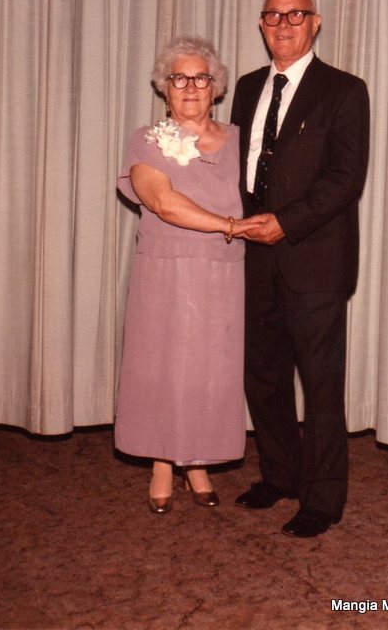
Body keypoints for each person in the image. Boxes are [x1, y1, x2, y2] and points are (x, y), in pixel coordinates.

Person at [231, 0, 370, 538]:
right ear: (261, 25)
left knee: (320, 384)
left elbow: (344, 179)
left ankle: (322, 499)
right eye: (273, 15)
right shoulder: (246, 87)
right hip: (253, 257)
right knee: (263, 376)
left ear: (316, 22)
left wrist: (285, 223)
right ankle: (280, 475)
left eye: (296, 15)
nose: (284, 24)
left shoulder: (345, 90)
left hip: (315, 260)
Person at [115, 36, 259, 514]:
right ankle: (161, 462)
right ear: (164, 87)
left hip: (223, 273)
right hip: (166, 270)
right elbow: (162, 202)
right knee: (162, 366)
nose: (191, 87)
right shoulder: (147, 139)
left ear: (216, 87)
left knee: (209, 370)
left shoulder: (242, 140)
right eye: (179, 78)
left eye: (201, 78)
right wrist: (231, 226)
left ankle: (197, 462)